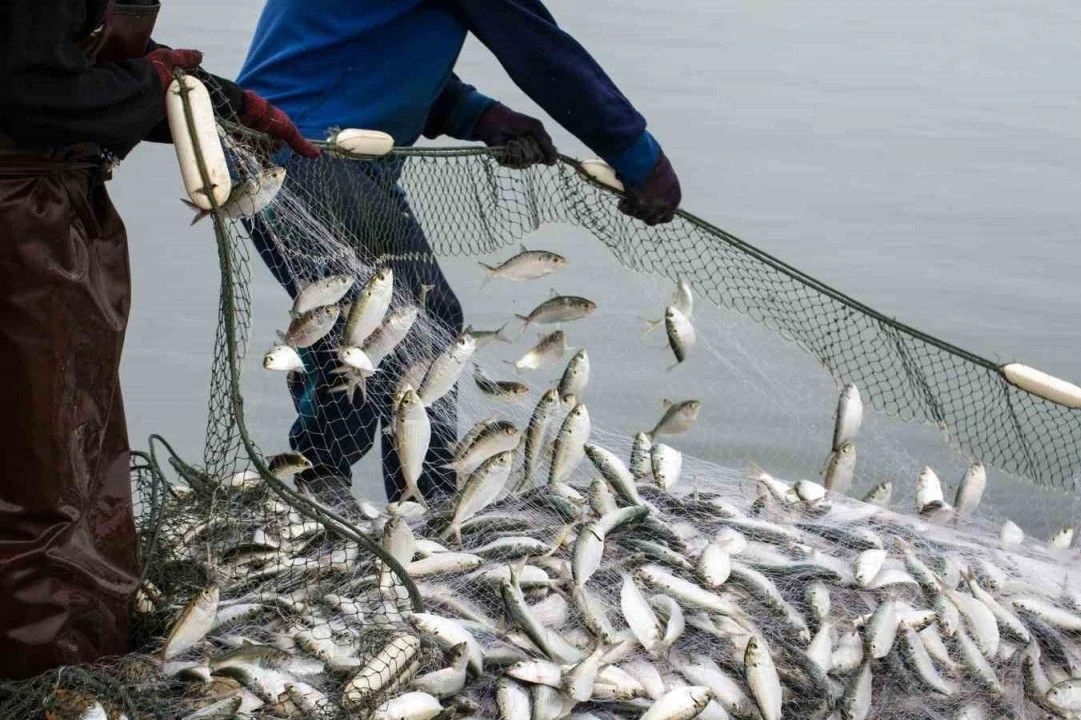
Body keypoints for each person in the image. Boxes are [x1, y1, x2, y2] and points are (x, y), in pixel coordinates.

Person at [237, 0, 684, 506]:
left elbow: (365, 48)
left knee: (394, 321)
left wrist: (480, 115)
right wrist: (638, 155)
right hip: (307, 156)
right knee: (397, 323)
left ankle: (376, 493)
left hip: (303, 147)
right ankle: (395, 501)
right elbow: (539, 52)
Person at [0, 0, 316, 678]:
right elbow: (29, 93)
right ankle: (49, 676)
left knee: (73, 443)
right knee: (38, 465)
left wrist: (224, 103)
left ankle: (82, 642)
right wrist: (154, 86)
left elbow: (71, 58)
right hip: (17, 223)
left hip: (49, 207)